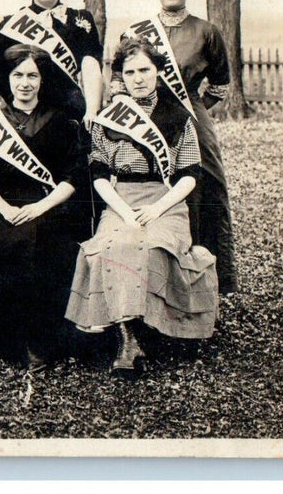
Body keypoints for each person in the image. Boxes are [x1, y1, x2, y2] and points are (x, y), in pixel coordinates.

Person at [66, 38, 218, 376]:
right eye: (130, 72)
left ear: (158, 71)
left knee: (152, 246)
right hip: (121, 199)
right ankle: (129, 338)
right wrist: (122, 210)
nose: (138, 78)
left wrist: (157, 208)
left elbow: (189, 175)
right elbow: (99, 174)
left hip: (166, 201)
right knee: (113, 245)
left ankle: (147, 331)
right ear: (120, 76)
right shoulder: (108, 119)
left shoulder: (178, 117)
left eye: (145, 70)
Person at [112, 0, 236, 294]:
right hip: (144, 119)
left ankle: (205, 280)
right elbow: (119, 80)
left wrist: (193, 110)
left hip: (191, 117)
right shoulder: (135, 32)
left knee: (205, 190)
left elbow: (221, 85)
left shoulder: (207, 32)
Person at [0, 45, 88, 370]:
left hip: (50, 206)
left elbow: (72, 177)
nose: (25, 83)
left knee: (44, 244)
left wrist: (41, 206)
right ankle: (7, 340)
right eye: (18, 75)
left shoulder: (62, 122)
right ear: (6, 79)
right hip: (6, 208)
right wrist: (4, 209)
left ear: (42, 79)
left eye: (32, 76)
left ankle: (41, 341)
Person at [0, 0, 103, 128]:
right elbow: (2, 80)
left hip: (71, 113)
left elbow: (92, 65)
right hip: (29, 117)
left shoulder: (80, 19)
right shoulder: (10, 24)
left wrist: (91, 111)